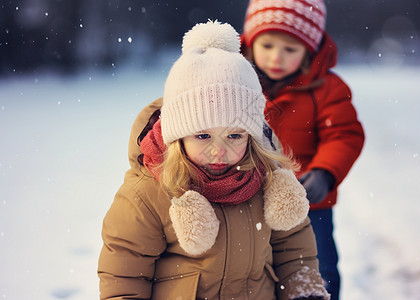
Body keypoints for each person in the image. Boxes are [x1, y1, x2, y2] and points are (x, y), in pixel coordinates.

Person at [98, 20, 331, 300]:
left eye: (234, 136)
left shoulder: (269, 180)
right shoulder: (148, 194)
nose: (218, 151)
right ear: (178, 137)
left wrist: (303, 293)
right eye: (203, 136)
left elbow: (296, 253)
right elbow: (124, 275)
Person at [241, 1, 366, 299]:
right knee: (248, 269)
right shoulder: (236, 83)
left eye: (290, 49)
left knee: (316, 271)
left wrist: (324, 173)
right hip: (245, 199)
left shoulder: (327, 89)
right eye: (267, 44)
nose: (276, 57)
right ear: (249, 42)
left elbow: (344, 135)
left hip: (308, 204)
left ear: (309, 50)